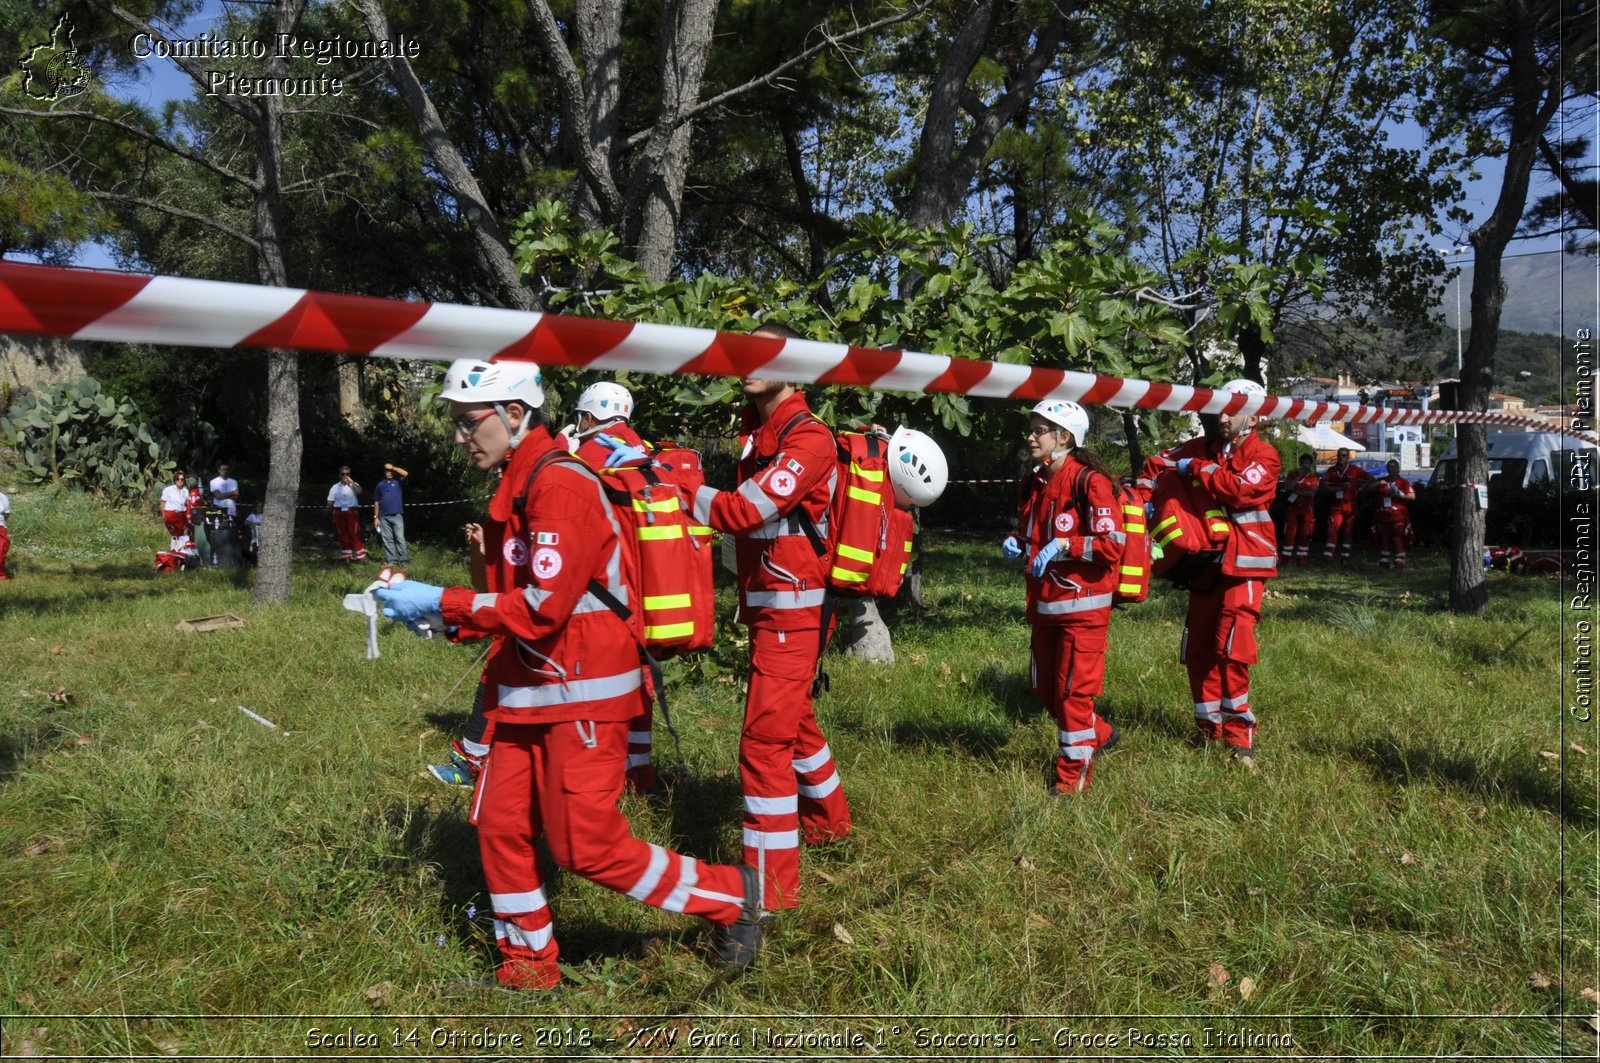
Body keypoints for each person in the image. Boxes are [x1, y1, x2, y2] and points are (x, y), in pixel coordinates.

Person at [374, 358, 765, 987]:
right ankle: (528, 965)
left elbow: (543, 607)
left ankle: (729, 896)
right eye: (454, 423)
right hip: (529, 690)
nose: (458, 436)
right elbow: (515, 599)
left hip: (580, 695)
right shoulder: (519, 483)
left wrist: (443, 601)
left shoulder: (558, 485)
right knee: (499, 827)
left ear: (515, 415)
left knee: (586, 848)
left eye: (467, 422)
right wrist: (440, 617)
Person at [672, 322, 854, 914]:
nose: (745, 363)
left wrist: (679, 487)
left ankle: (771, 889)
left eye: (763, 352)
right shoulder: (759, 434)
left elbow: (744, 511)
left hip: (793, 612)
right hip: (773, 606)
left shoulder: (809, 438)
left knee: (762, 747)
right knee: (795, 722)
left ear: (795, 366)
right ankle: (831, 822)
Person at [1002, 399, 1122, 795]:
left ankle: (1070, 781)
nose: (1031, 436)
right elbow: (1032, 532)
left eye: (1040, 430)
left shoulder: (1090, 481)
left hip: (1083, 611)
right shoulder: (1033, 481)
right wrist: (1018, 543)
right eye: (1032, 428)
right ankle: (1099, 734)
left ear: (1064, 437)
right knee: (1045, 689)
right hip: (1044, 606)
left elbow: (1110, 545)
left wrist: (1065, 546)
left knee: (1072, 695)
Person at [1159, 379, 1279, 771]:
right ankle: (1206, 732)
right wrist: (1144, 499)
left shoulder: (1264, 454)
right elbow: (1157, 462)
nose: (1222, 416)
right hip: (1205, 564)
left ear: (1254, 415)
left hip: (1245, 563)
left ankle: (1239, 739)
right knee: (1197, 651)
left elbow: (1239, 490)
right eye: (1220, 410)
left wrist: (1195, 468)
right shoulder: (1206, 448)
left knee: (1233, 648)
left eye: (1231, 410)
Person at [569, 381, 656, 792]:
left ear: (587, 417)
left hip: (604, 591)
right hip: (652, 587)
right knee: (642, 682)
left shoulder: (587, 455)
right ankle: (640, 774)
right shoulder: (644, 450)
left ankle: (600, 780)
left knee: (598, 686)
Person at [1318, 448, 1367, 563]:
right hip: (1336, 505)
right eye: (1340, 455)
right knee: (1332, 529)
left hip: (1350, 505)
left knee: (1347, 530)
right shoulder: (1332, 470)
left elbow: (1370, 478)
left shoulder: (1354, 470)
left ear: (1348, 457)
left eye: (1344, 455)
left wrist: (1360, 489)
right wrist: (1339, 488)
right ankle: (1328, 557)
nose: (1341, 458)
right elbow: (1324, 487)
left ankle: (1345, 557)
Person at [1367, 459, 1415, 569]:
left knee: (1397, 537)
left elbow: (1412, 496)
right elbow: (1369, 488)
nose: (1391, 469)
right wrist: (1379, 483)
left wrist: (1398, 495)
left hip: (1397, 515)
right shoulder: (1383, 480)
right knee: (1384, 538)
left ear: (1398, 469)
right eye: (1389, 467)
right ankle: (1384, 562)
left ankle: (1399, 562)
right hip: (1383, 514)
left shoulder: (1403, 482)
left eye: (1393, 467)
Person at [1279, 454, 1319, 567]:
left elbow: (1312, 493)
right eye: (1303, 463)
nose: (1304, 465)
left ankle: (1302, 560)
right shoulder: (1293, 474)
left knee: (1305, 534)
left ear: (1310, 464)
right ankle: (1286, 559)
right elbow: (1287, 487)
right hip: (1294, 508)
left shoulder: (1313, 476)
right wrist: (1298, 478)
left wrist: (1297, 491)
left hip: (1307, 509)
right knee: (1290, 534)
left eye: (1307, 463)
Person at [327, 465, 368, 563]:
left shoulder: (354, 485)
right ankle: (347, 557)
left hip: (351, 512)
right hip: (339, 512)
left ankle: (360, 557)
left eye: (347, 474)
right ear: (339, 475)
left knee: (354, 533)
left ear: (350, 474)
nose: (345, 476)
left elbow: (360, 491)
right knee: (343, 535)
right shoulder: (335, 487)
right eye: (343, 474)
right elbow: (329, 502)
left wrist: (351, 482)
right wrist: (335, 506)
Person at [372, 463, 410, 566]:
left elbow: (406, 473)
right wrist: (376, 517)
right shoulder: (380, 485)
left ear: (393, 472)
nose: (389, 473)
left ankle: (404, 561)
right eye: (387, 471)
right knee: (387, 539)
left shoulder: (398, 482)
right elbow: (376, 501)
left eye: (391, 471)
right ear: (384, 473)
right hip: (383, 516)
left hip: (397, 515)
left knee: (400, 538)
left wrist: (393, 467)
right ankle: (391, 562)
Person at [160, 470, 190, 550]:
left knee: (180, 535)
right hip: (171, 514)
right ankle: (174, 552)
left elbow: (187, 504)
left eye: (182, 479)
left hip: (182, 515)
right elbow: (162, 502)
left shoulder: (185, 491)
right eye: (178, 479)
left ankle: (179, 553)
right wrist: (164, 515)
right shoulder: (168, 490)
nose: (180, 481)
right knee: (174, 535)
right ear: (175, 479)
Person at [0, 487, 10, 580]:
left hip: (0, 527)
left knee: (1, 552)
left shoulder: (3, 497)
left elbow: (6, 514)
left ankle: (1, 575)